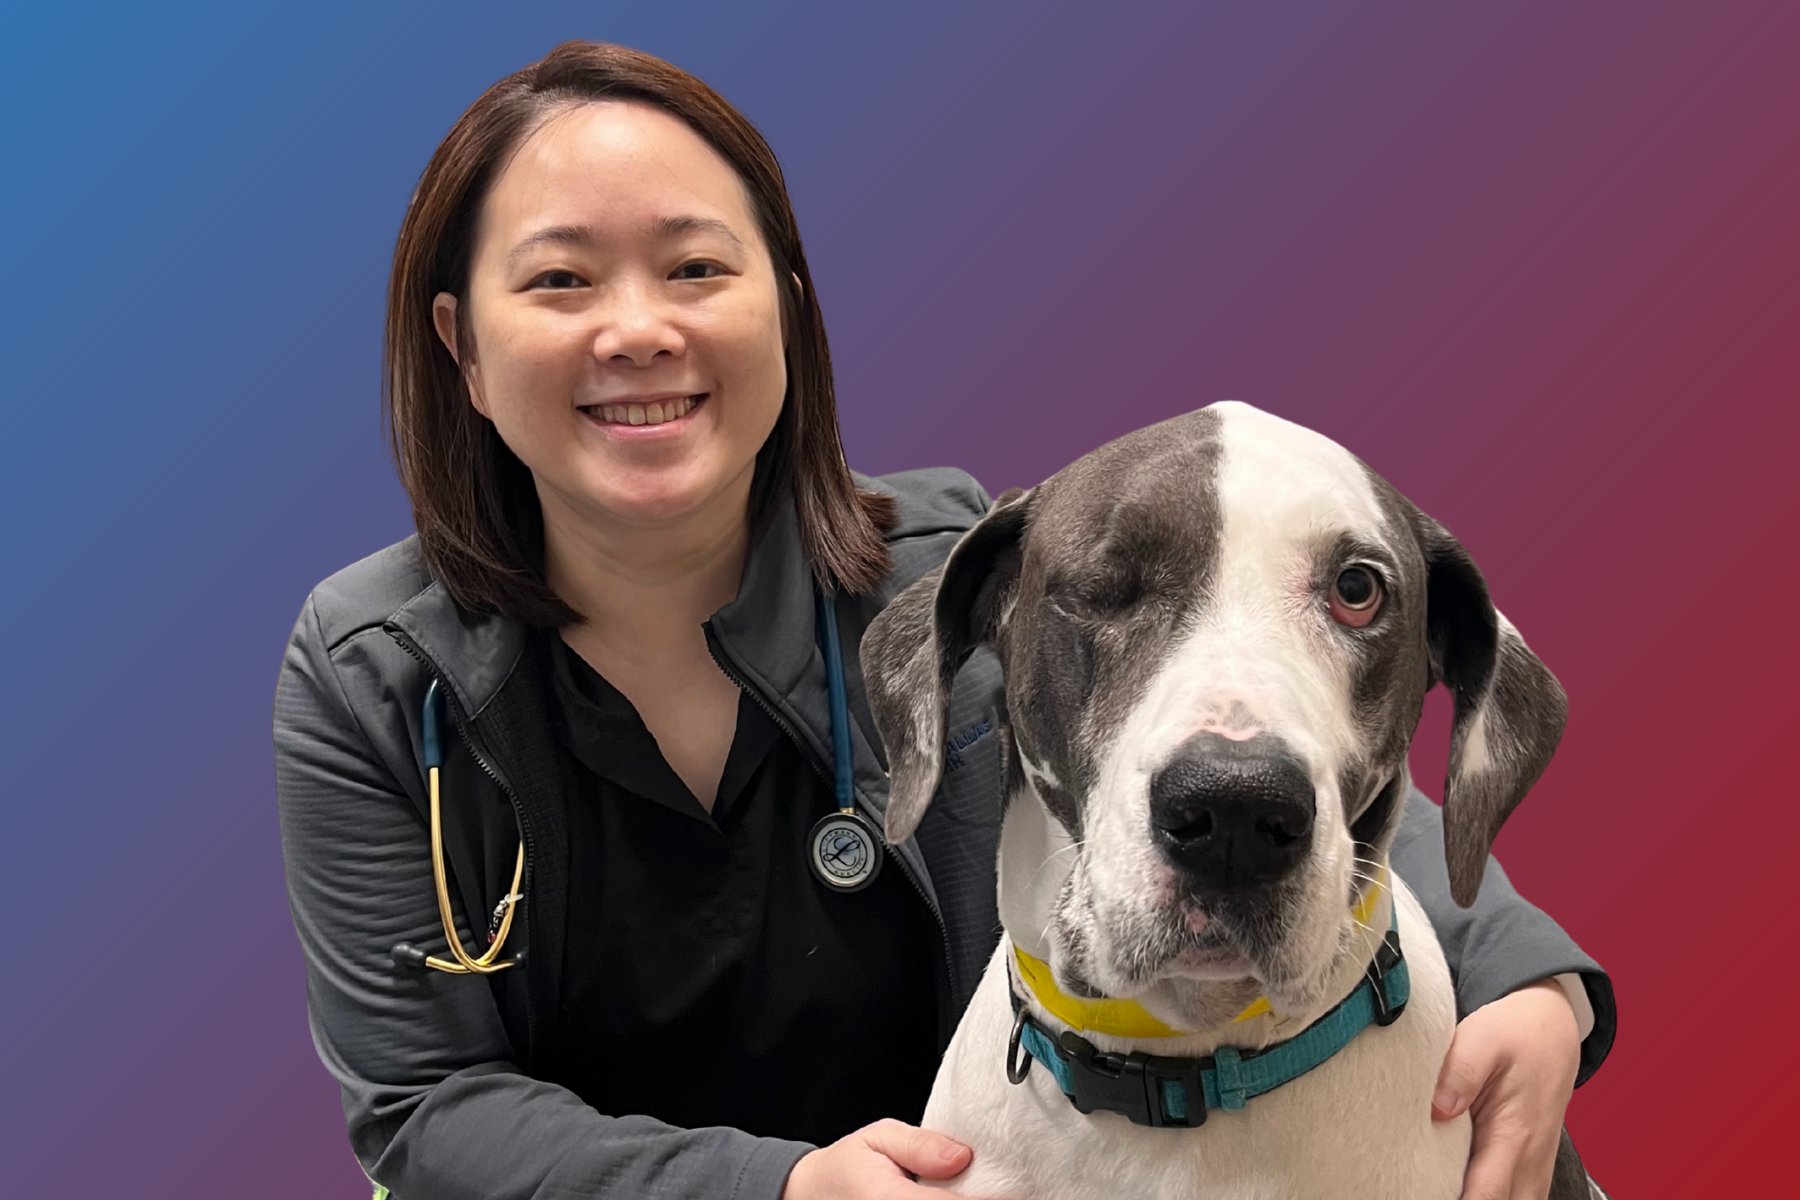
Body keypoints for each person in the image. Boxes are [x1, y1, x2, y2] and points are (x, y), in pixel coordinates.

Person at [273, 40, 1615, 1200]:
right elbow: (422, 1112)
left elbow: (1268, 726)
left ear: (787, 311)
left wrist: (1529, 972)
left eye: (696, 269)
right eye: (561, 282)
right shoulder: (375, 675)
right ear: (460, 346)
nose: (639, 330)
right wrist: (782, 1185)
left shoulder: (938, 564)